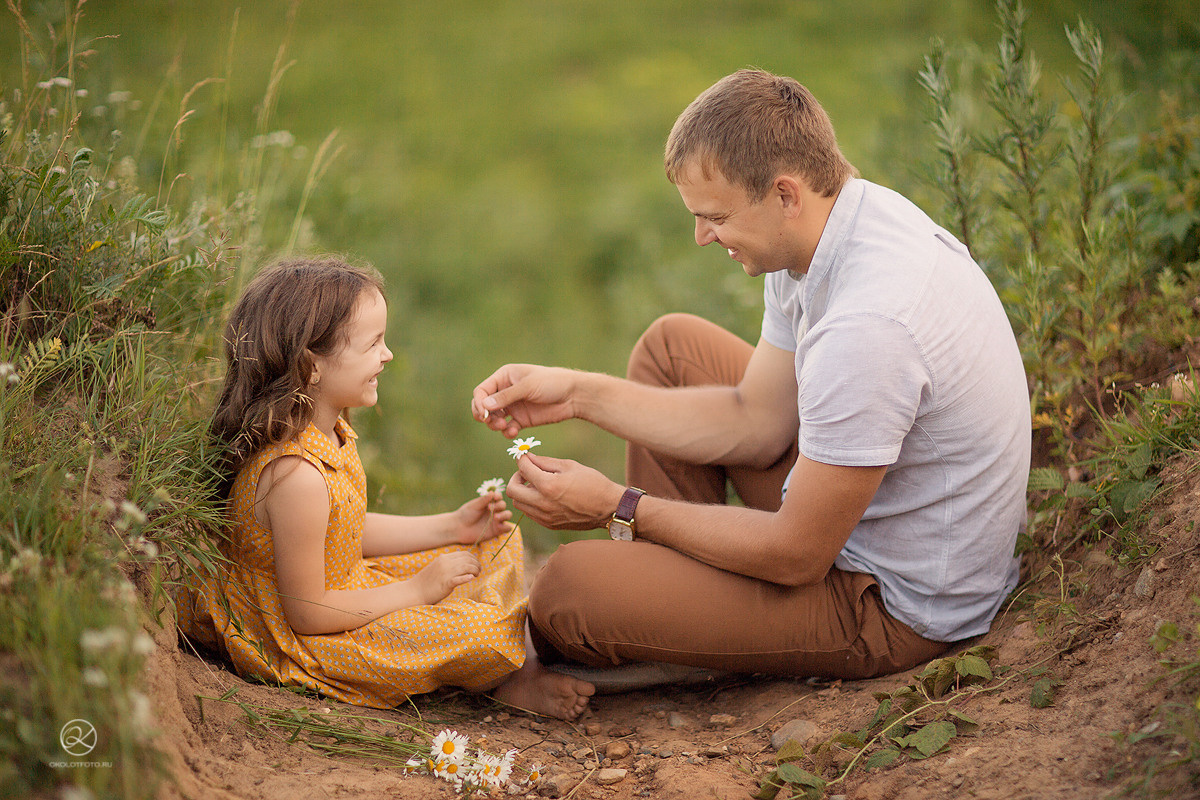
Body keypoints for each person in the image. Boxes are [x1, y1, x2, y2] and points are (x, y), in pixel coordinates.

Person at [471, 69, 1030, 682]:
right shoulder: (832, 226)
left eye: (715, 216)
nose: (702, 237)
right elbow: (755, 420)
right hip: (864, 515)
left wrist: (617, 506)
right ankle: (685, 615)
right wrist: (577, 393)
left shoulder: (868, 327)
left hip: (893, 602)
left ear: (784, 195)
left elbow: (797, 554)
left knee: (565, 592)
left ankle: (679, 632)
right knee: (673, 351)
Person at [176, 256, 593, 719]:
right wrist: (417, 590)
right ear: (311, 365)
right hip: (310, 635)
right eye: (373, 343)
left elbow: (344, 532)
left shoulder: (327, 434)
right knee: (476, 630)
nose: (387, 354)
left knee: (493, 543)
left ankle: (496, 664)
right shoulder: (294, 476)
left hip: (345, 591)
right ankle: (502, 680)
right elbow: (309, 614)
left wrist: (451, 526)